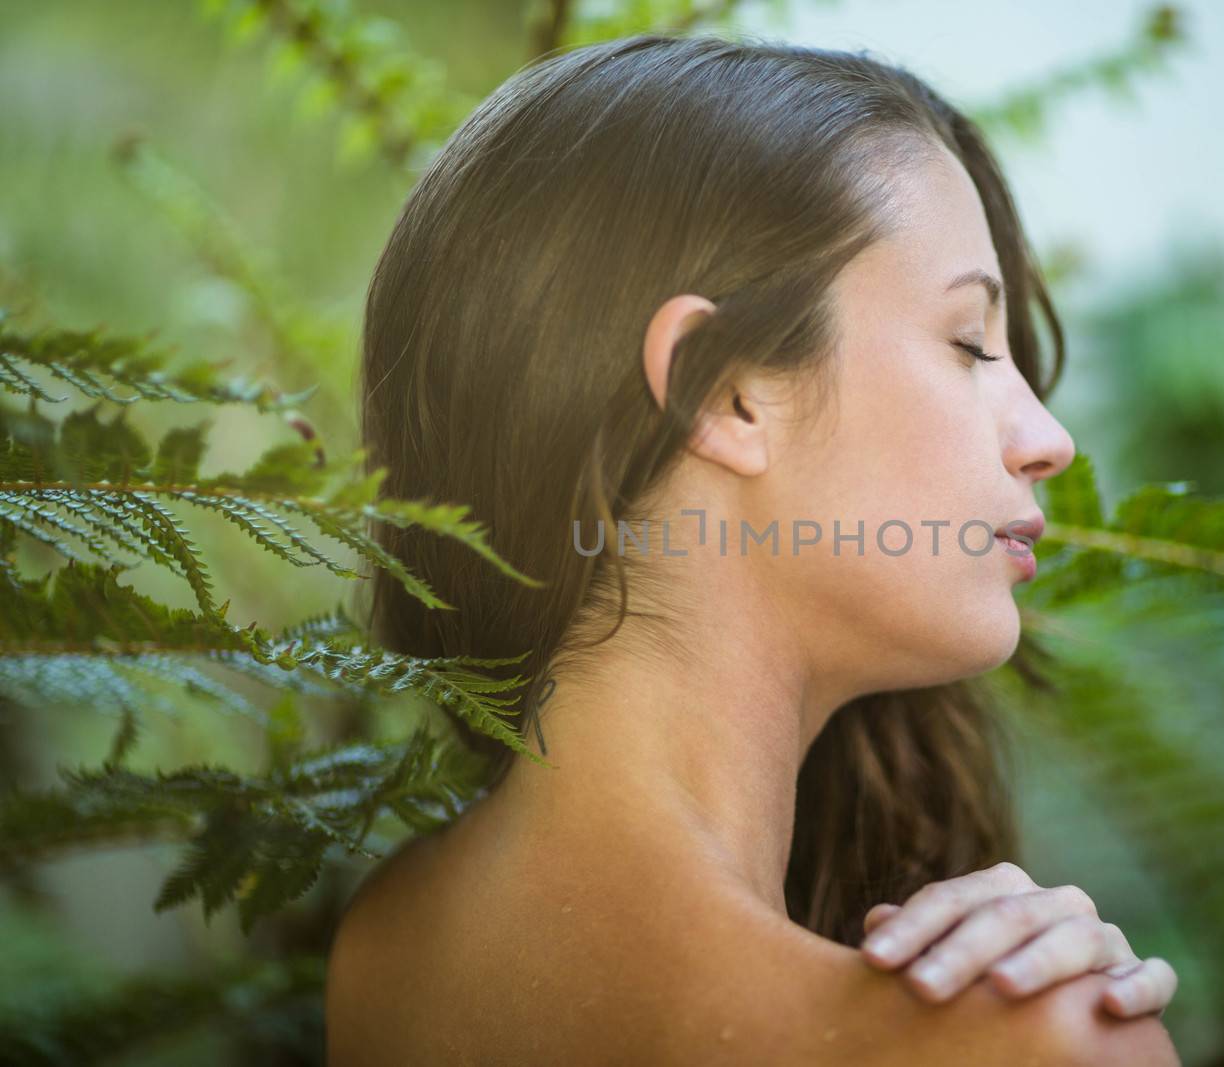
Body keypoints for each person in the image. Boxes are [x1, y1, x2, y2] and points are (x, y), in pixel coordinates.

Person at [326, 30, 1180, 1065]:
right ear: (721, 390)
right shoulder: (1024, 1038)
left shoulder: (385, 947)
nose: (1049, 440)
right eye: (966, 343)